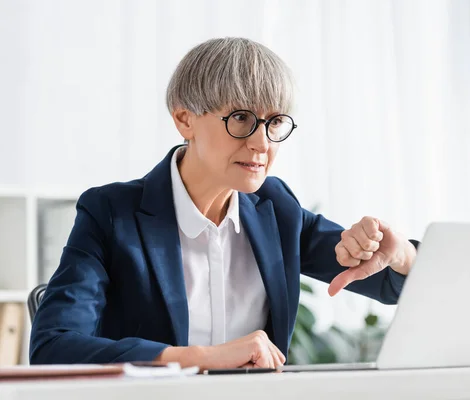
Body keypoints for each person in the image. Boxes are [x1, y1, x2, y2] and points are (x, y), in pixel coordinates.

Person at [29, 37, 418, 369]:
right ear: (185, 120)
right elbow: (53, 347)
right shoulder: (111, 213)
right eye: (241, 119)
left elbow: (390, 284)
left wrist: (402, 256)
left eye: (274, 122)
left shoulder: (276, 208)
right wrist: (200, 357)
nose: (262, 143)